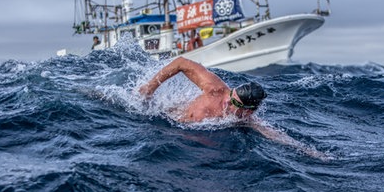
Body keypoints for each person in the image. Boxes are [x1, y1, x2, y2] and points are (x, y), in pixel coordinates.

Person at [138, 57, 328, 159]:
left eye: (234, 103)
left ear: (248, 111)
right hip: (157, 122)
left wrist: (309, 152)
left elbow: (274, 135)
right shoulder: (216, 89)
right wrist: (150, 87)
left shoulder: (246, 121)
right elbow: (181, 62)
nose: (227, 102)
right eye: (231, 96)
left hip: (182, 148)